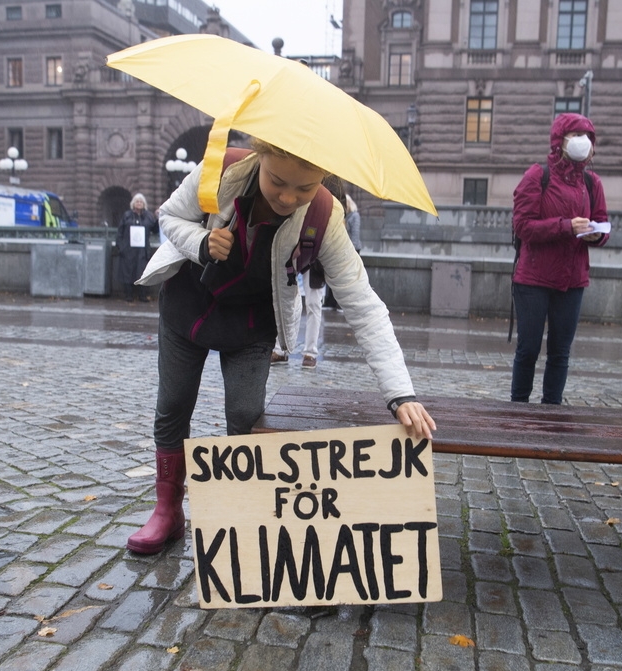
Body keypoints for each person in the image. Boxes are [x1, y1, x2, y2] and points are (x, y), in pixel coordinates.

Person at [127, 139, 437, 554]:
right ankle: (167, 509)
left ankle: (244, 521)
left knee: (244, 416)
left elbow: (364, 304)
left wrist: (400, 393)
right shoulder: (219, 168)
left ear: (323, 179)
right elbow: (169, 216)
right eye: (277, 181)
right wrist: (202, 243)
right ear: (261, 155)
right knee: (173, 404)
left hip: (251, 322)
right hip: (188, 304)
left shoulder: (326, 214)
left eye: (305, 188)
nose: (288, 197)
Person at [510, 113, 609, 405]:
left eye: (588, 136)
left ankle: (551, 412)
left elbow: (603, 223)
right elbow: (523, 226)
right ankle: (519, 409)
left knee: (560, 352)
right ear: (559, 140)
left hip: (573, 279)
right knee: (528, 349)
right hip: (534, 279)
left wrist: (596, 235)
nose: (583, 141)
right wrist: (566, 226)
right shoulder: (537, 176)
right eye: (575, 134)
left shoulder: (592, 183)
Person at [270, 175, 348, 368]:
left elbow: (340, 217)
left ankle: (309, 352)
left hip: (318, 251)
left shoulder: (334, 182)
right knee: (285, 297)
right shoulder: (306, 171)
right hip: (296, 245)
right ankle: (282, 349)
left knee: (314, 302)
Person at [116, 193, 158, 302]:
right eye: (137, 201)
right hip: (128, 249)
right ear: (133, 204)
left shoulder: (148, 216)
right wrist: (121, 248)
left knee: (142, 272)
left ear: (144, 204)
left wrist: (158, 218)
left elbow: (155, 230)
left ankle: (142, 295)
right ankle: (128, 295)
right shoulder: (127, 215)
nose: (139, 203)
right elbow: (120, 232)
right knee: (128, 272)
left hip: (142, 251)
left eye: (141, 201)